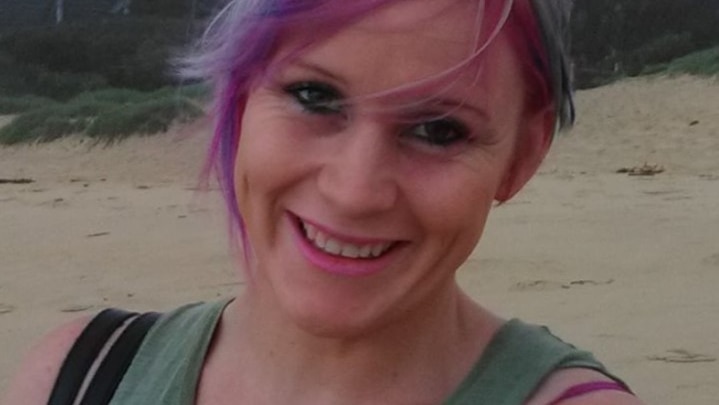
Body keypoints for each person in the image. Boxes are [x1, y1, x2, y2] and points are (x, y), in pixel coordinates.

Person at [3, 0, 645, 404]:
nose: (354, 190)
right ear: (240, 98)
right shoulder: (80, 377)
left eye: (439, 130)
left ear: (522, 157)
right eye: (314, 97)